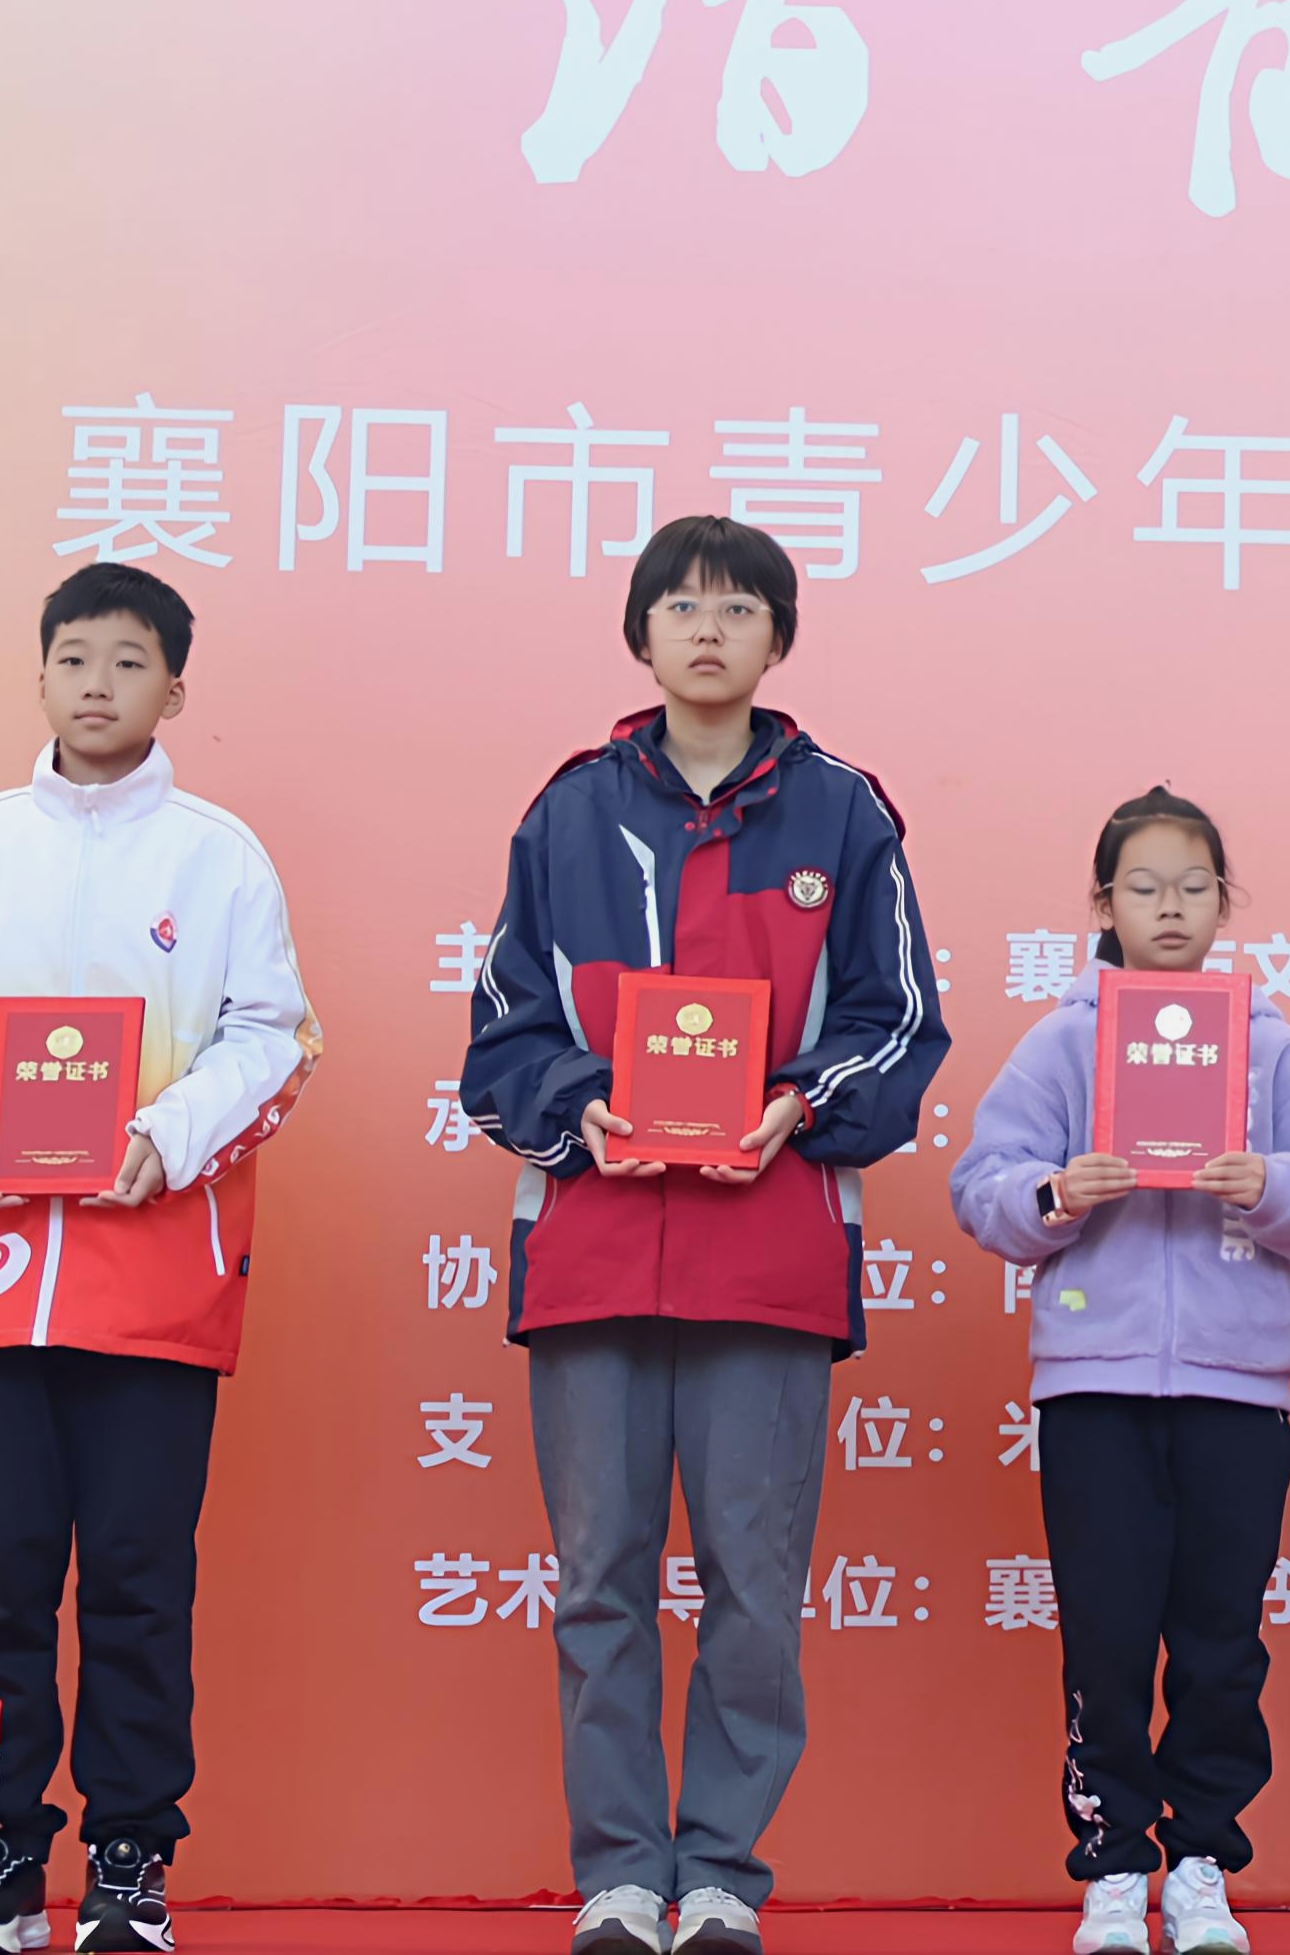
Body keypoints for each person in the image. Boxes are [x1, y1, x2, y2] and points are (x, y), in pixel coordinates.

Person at [458, 514, 951, 1955]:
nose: (708, 629)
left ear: (777, 638)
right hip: (596, 1252)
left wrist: (802, 1102)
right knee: (598, 1580)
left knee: (754, 1581)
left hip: (770, 1261)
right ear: (641, 634)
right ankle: (621, 1870)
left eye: (738, 607)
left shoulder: (843, 815)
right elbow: (501, 1037)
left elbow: (899, 1021)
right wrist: (583, 1105)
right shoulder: (566, 814)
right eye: (680, 606)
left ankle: (723, 1868)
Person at [0, 561, 322, 1955]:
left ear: (175, 689)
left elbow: (272, 1035)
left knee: (136, 1578)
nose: (97, 684)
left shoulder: (219, 858)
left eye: (128, 661)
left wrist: (168, 1138)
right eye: (73, 659)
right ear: (39, 676)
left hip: (159, 1277)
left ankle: (130, 1863)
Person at [949, 786, 1290, 1955]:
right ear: (1104, 903)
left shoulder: (1267, 1042)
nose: (1171, 907)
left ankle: (1199, 1861)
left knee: (1220, 1640)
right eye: (1143, 887)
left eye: (1194, 886)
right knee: (1104, 1638)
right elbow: (982, 1186)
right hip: (1092, 1385)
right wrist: (1057, 1193)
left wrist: (1270, 1183)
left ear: (1224, 901)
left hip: (1236, 1387)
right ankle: (1110, 1865)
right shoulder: (1064, 1039)